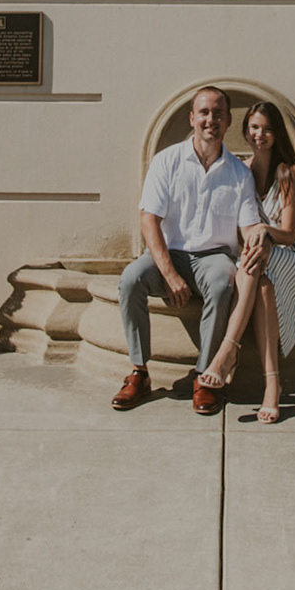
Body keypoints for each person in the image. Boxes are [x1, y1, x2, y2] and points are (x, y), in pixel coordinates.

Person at [113, 86, 265, 415]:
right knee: (130, 280)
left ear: (227, 121)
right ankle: (139, 372)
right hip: (168, 253)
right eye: (205, 112)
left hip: (213, 258)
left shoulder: (239, 174)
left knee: (224, 283)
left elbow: (249, 224)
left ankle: (205, 377)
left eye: (218, 113)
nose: (211, 119)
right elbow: (148, 219)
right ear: (192, 118)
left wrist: (259, 238)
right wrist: (168, 272)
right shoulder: (166, 161)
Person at [196, 101, 295, 424]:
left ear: (277, 134)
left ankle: (227, 351)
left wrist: (264, 231)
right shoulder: (243, 170)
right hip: (259, 258)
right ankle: (272, 385)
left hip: (293, 257)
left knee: (254, 257)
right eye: (253, 127)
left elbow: (289, 234)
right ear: (246, 130)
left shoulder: (289, 173)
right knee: (260, 282)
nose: (259, 134)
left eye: (266, 129)